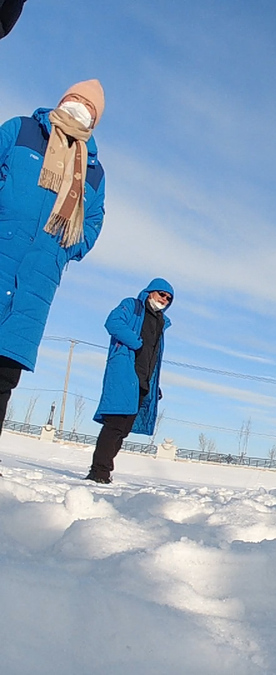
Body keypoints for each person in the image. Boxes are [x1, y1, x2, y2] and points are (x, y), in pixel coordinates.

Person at [0, 80, 106, 431]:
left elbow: (93, 221)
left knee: (3, 378)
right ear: (61, 99)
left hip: (36, 282)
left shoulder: (93, 170)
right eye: (74, 99)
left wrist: (61, 252)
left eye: (88, 107)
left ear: (95, 120)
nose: (79, 107)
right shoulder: (23, 130)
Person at [88, 279, 173, 483]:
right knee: (115, 423)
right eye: (162, 294)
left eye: (169, 299)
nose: (164, 300)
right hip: (125, 373)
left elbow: (152, 357)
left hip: (143, 381)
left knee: (123, 429)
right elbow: (113, 323)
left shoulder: (161, 322)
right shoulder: (132, 306)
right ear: (150, 291)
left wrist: (154, 383)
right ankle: (98, 471)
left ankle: (104, 468)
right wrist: (136, 342)